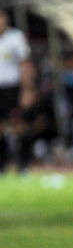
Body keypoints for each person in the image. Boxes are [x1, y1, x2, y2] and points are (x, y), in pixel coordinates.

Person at [0, 9, 34, 173]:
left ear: (5, 19)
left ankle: (23, 165)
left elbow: (25, 64)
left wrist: (27, 89)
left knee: (20, 126)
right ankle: (2, 166)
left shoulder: (15, 37)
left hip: (13, 88)